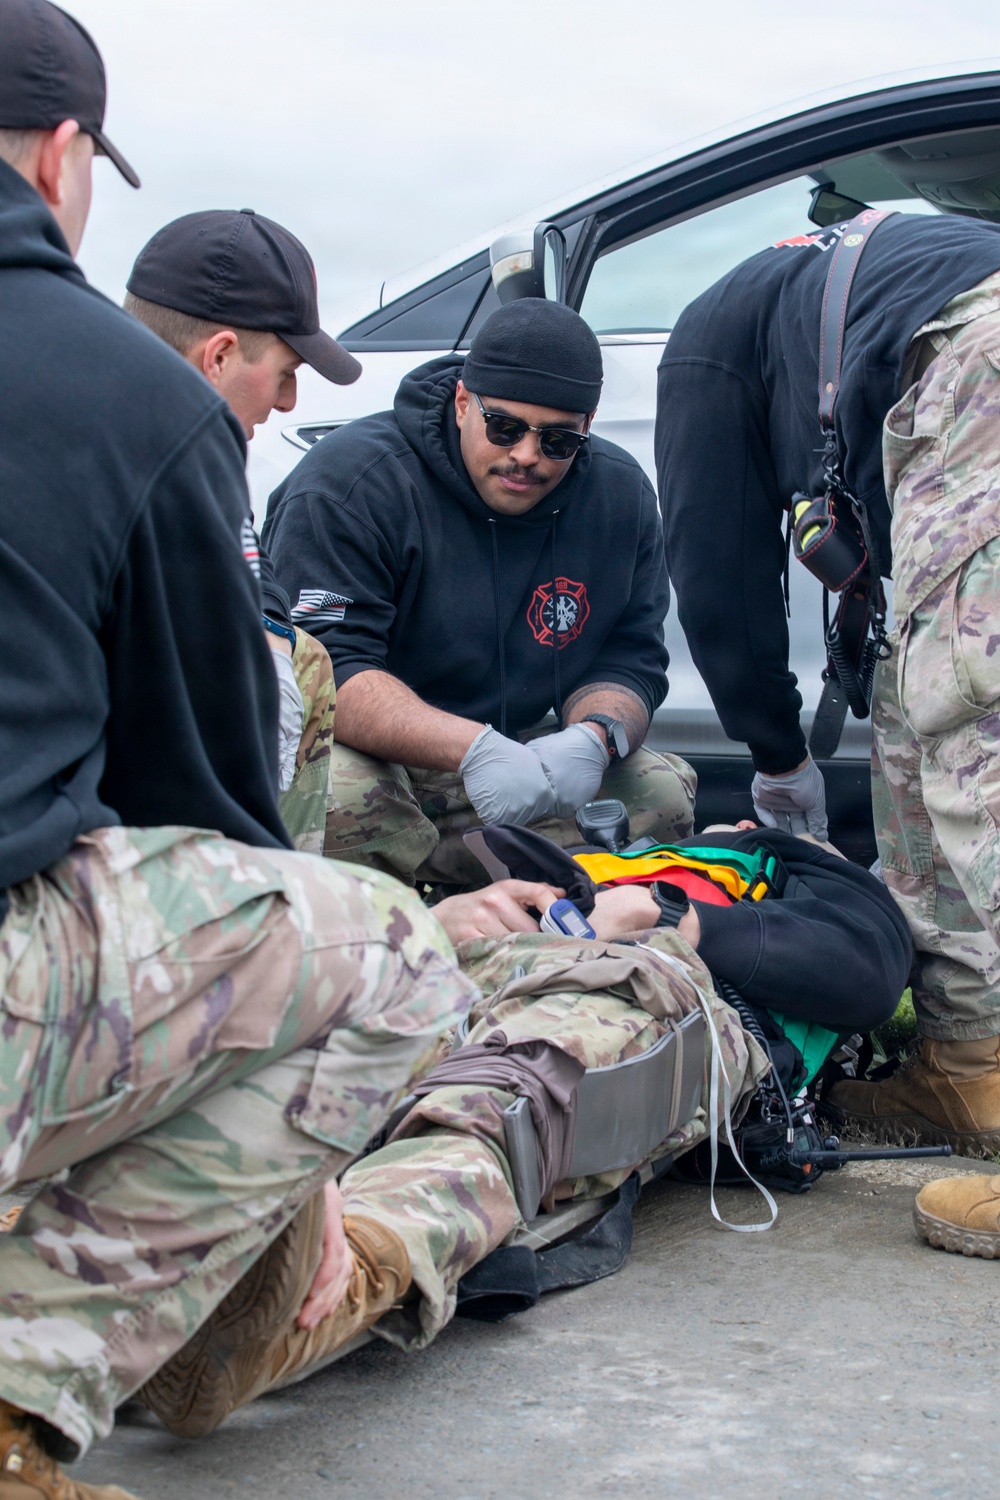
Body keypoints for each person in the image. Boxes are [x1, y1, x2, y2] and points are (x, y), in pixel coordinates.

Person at [0, 4, 472, 1494]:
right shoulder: (128, 401)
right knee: (392, 960)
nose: (280, 405)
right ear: (66, 154)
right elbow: (196, 800)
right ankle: (31, 1381)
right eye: (277, 375)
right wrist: (295, 1182)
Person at [135, 818, 911, 1435]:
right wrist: (448, 913)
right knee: (276, 1071)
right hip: (462, 969)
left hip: (639, 988)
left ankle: (275, 1320)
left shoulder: (797, 874)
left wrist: (665, 913)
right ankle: (101, 1267)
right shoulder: (605, 855)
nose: (735, 818)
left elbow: (869, 971)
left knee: (500, 1107)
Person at [654, 208, 1000, 1169]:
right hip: (965, 365)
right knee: (916, 716)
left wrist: (775, 756)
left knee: (983, 751)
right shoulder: (873, 286)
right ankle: (968, 1065)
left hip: (981, 365)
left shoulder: (706, 344)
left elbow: (716, 565)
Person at [263, 298, 697, 888]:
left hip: (510, 759)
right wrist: (474, 749)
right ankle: (402, 925)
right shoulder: (351, 484)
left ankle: (488, 891)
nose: (526, 456)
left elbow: (631, 653)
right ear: (463, 402)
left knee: (659, 794)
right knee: (343, 801)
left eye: (558, 441)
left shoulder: (619, 497)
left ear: (587, 428)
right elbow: (329, 666)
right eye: (506, 428)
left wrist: (594, 735)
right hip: (370, 758)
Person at [124, 208, 363, 853]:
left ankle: (276, 884)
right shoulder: (103, 447)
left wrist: (271, 639)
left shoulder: (186, 440)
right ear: (220, 356)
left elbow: (248, 564)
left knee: (297, 655)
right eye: (285, 373)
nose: (287, 402)